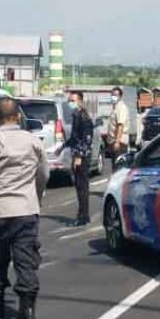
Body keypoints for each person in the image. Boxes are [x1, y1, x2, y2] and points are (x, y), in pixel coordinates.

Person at [0, 97, 50, 319]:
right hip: (26, 210)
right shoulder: (33, 141)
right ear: (18, 116)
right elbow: (43, 173)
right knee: (26, 259)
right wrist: (36, 196)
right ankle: (27, 312)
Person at [60, 91, 94, 226]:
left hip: (82, 156)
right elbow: (74, 137)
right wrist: (62, 147)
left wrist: (79, 156)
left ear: (80, 101)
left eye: (73, 100)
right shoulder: (76, 115)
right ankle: (82, 215)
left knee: (82, 186)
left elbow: (86, 139)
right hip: (76, 154)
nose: (70, 103)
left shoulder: (84, 117)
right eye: (69, 100)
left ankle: (83, 216)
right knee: (79, 186)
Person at [106, 86, 131, 164]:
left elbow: (120, 125)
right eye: (112, 95)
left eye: (116, 95)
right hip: (114, 141)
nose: (113, 97)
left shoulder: (121, 108)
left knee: (118, 166)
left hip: (120, 142)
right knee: (115, 165)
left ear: (120, 96)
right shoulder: (115, 107)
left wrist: (117, 142)